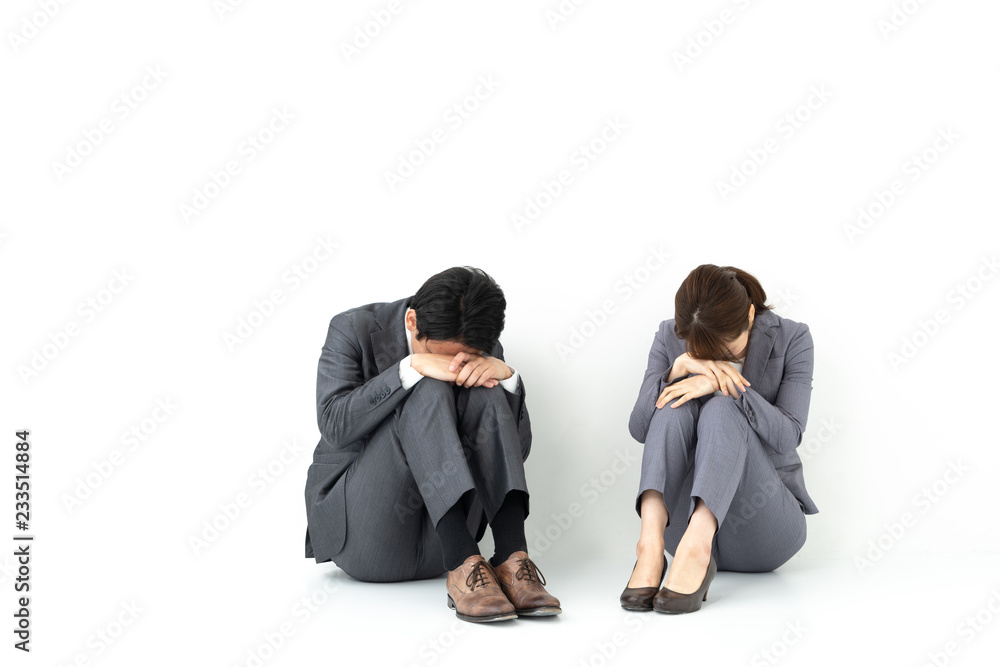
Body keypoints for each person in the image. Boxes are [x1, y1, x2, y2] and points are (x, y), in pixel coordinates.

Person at [304, 266, 560, 623]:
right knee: (425, 385)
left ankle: (511, 558)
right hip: (365, 532)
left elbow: (518, 451)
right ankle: (460, 561)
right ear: (411, 321)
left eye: (463, 356)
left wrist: (510, 381)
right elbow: (334, 425)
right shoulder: (352, 328)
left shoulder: (482, 344)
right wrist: (409, 369)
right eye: (439, 354)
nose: (452, 364)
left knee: (485, 387)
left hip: (446, 548)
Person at [620, 264, 818, 613]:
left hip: (766, 523)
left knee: (722, 408)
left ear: (751, 315)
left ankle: (700, 547)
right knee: (671, 404)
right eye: (703, 348)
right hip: (677, 533)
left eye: (727, 345)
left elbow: (789, 436)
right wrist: (674, 372)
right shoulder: (670, 335)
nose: (718, 357)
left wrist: (728, 387)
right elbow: (639, 428)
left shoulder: (793, 337)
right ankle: (649, 546)